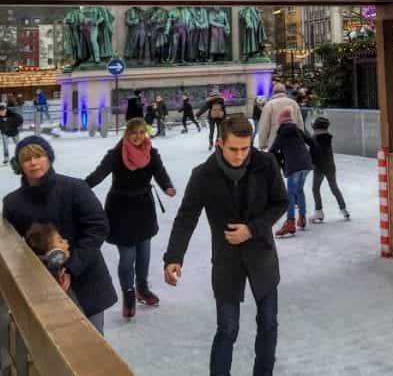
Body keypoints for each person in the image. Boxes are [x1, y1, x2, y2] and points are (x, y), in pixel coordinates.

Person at [164, 115, 286, 376]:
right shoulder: (203, 175)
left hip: (262, 256)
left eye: (246, 148)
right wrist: (173, 257)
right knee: (227, 328)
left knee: (268, 323)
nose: (241, 155)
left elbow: (280, 203)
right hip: (227, 261)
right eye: (234, 149)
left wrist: (252, 229)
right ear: (220, 143)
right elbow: (186, 218)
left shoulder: (266, 163)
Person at [3, 136, 117, 334]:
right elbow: (11, 247)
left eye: (38, 156)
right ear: (20, 165)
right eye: (26, 159)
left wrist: (72, 267)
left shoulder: (75, 188)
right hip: (41, 285)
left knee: (92, 343)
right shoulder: (13, 203)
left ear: (49, 158)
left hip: (85, 277)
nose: (33, 163)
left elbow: (98, 227)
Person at [85, 118, 175, 319]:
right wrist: (80, 189)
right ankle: (128, 293)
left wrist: (167, 185)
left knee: (144, 253)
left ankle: (142, 288)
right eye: (134, 132)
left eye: (142, 132)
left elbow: (159, 171)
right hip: (121, 209)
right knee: (127, 257)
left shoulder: (151, 152)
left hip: (143, 207)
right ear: (127, 133)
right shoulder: (117, 154)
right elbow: (98, 175)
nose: (138, 136)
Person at [269, 107, 314, 237]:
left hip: (294, 166)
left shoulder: (282, 132)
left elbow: (273, 150)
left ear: (281, 121)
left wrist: (276, 159)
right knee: (299, 190)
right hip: (306, 164)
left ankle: (290, 223)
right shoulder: (298, 130)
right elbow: (311, 142)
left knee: (290, 194)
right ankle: (302, 218)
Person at [308, 116, 349, 223]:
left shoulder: (314, 138)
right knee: (334, 187)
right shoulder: (327, 138)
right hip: (330, 166)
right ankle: (343, 209)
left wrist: (310, 164)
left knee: (315, 189)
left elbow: (312, 154)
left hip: (319, 167)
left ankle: (319, 211)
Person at [256, 82, 305, 150]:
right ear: (285, 91)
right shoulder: (293, 103)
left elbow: (264, 125)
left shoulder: (269, 105)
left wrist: (262, 143)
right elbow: (300, 122)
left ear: (273, 92)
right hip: (292, 142)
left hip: (274, 143)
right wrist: (301, 139)